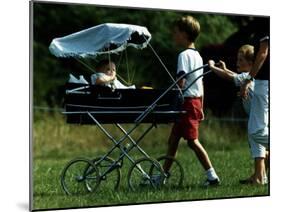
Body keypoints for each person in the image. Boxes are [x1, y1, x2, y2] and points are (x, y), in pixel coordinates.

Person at [162, 15, 220, 186]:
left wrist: (172, 92)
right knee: (173, 140)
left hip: (187, 102)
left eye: (176, 32)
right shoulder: (197, 55)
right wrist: (201, 105)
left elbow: (181, 81)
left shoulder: (183, 55)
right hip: (195, 101)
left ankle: (212, 176)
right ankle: (163, 176)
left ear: (185, 34)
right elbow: (199, 83)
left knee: (192, 141)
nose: (173, 35)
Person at [239, 19, 269, 185]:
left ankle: (260, 176)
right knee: (258, 130)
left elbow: (263, 53)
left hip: (265, 83)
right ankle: (260, 176)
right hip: (265, 83)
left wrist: (249, 78)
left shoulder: (267, 22)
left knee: (256, 131)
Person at [208, 44, 255, 115]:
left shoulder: (246, 77)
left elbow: (228, 76)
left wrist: (212, 67)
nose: (237, 62)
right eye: (238, 59)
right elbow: (236, 76)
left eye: (241, 60)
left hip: (255, 118)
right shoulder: (250, 76)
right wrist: (225, 69)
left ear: (250, 63)